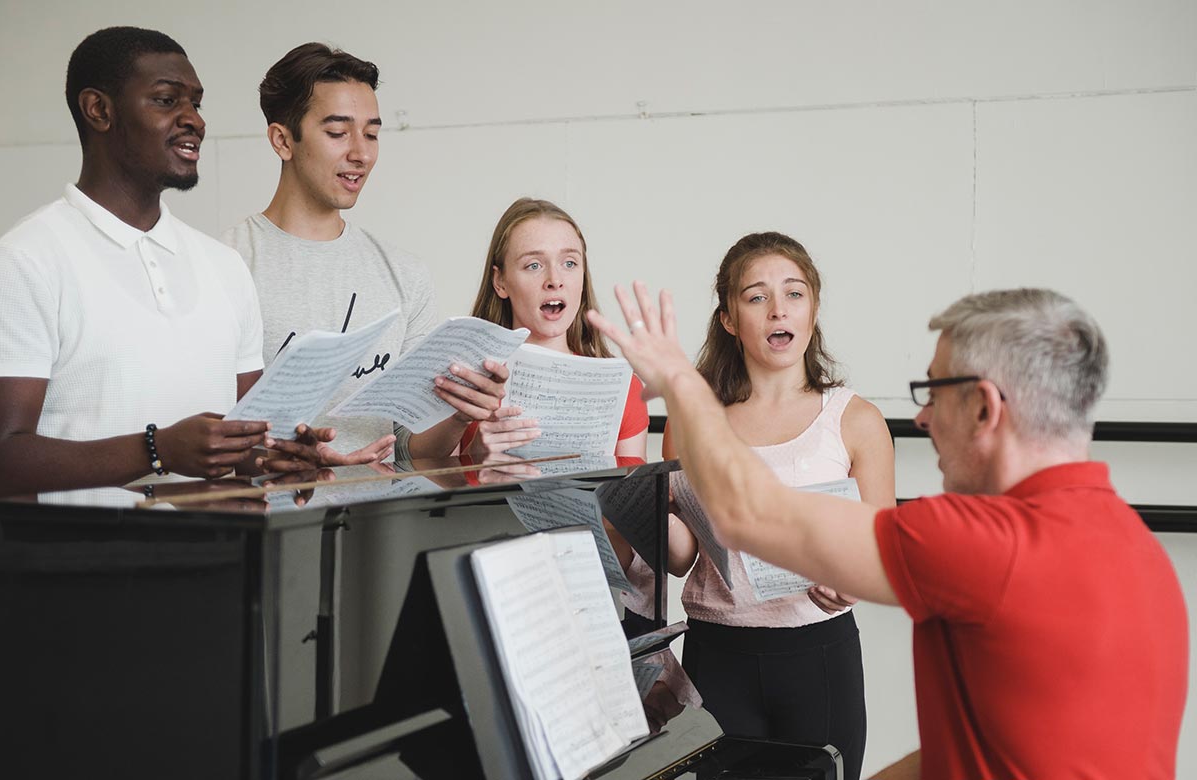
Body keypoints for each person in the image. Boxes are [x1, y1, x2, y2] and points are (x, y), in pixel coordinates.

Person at [589, 284, 1188, 779]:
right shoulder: (1137, 548)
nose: (922, 418)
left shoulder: (985, 542)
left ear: (985, 407)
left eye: (932, 390)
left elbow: (751, 516)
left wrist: (682, 383)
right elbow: (962, 756)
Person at [0, 26, 277, 497]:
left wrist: (285, 454)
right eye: (168, 101)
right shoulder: (25, 260)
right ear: (99, 110)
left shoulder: (225, 267)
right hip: (79, 566)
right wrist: (156, 448)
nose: (195, 121)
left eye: (197, 104)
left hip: (221, 563)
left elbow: (247, 446)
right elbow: (4, 455)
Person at [660, 232, 893, 780]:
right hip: (716, 653)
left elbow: (884, 548)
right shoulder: (690, 419)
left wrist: (852, 580)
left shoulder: (856, 419)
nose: (777, 309)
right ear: (728, 318)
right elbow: (679, 557)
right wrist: (639, 507)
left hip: (818, 653)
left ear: (812, 308)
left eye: (793, 293)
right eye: (756, 296)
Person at [223, 43, 508, 466]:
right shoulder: (224, 265)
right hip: (264, 524)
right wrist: (289, 458)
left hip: (379, 525)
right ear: (282, 140)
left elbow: (411, 448)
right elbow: (205, 433)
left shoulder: (404, 275)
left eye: (372, 134)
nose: (361, 153)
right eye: (338, 133)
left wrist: (459, 415)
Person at [460, 197, 648, 459]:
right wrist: (473, 458)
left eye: (569, 263)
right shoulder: (464, 380)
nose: (555, 280)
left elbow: (634, 496)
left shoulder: (624, 388)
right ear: (500, 281)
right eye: (533, 265)